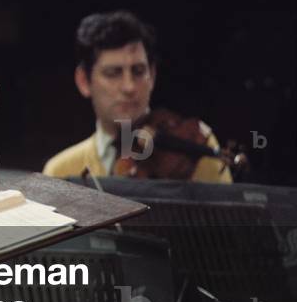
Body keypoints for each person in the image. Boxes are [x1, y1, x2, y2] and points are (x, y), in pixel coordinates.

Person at [43, 10, 232, 182]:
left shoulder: (194, 149)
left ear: (153, 75)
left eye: (138, 71)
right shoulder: (60, 171)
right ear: (84, 81)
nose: (129, 87)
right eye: (113, 73)